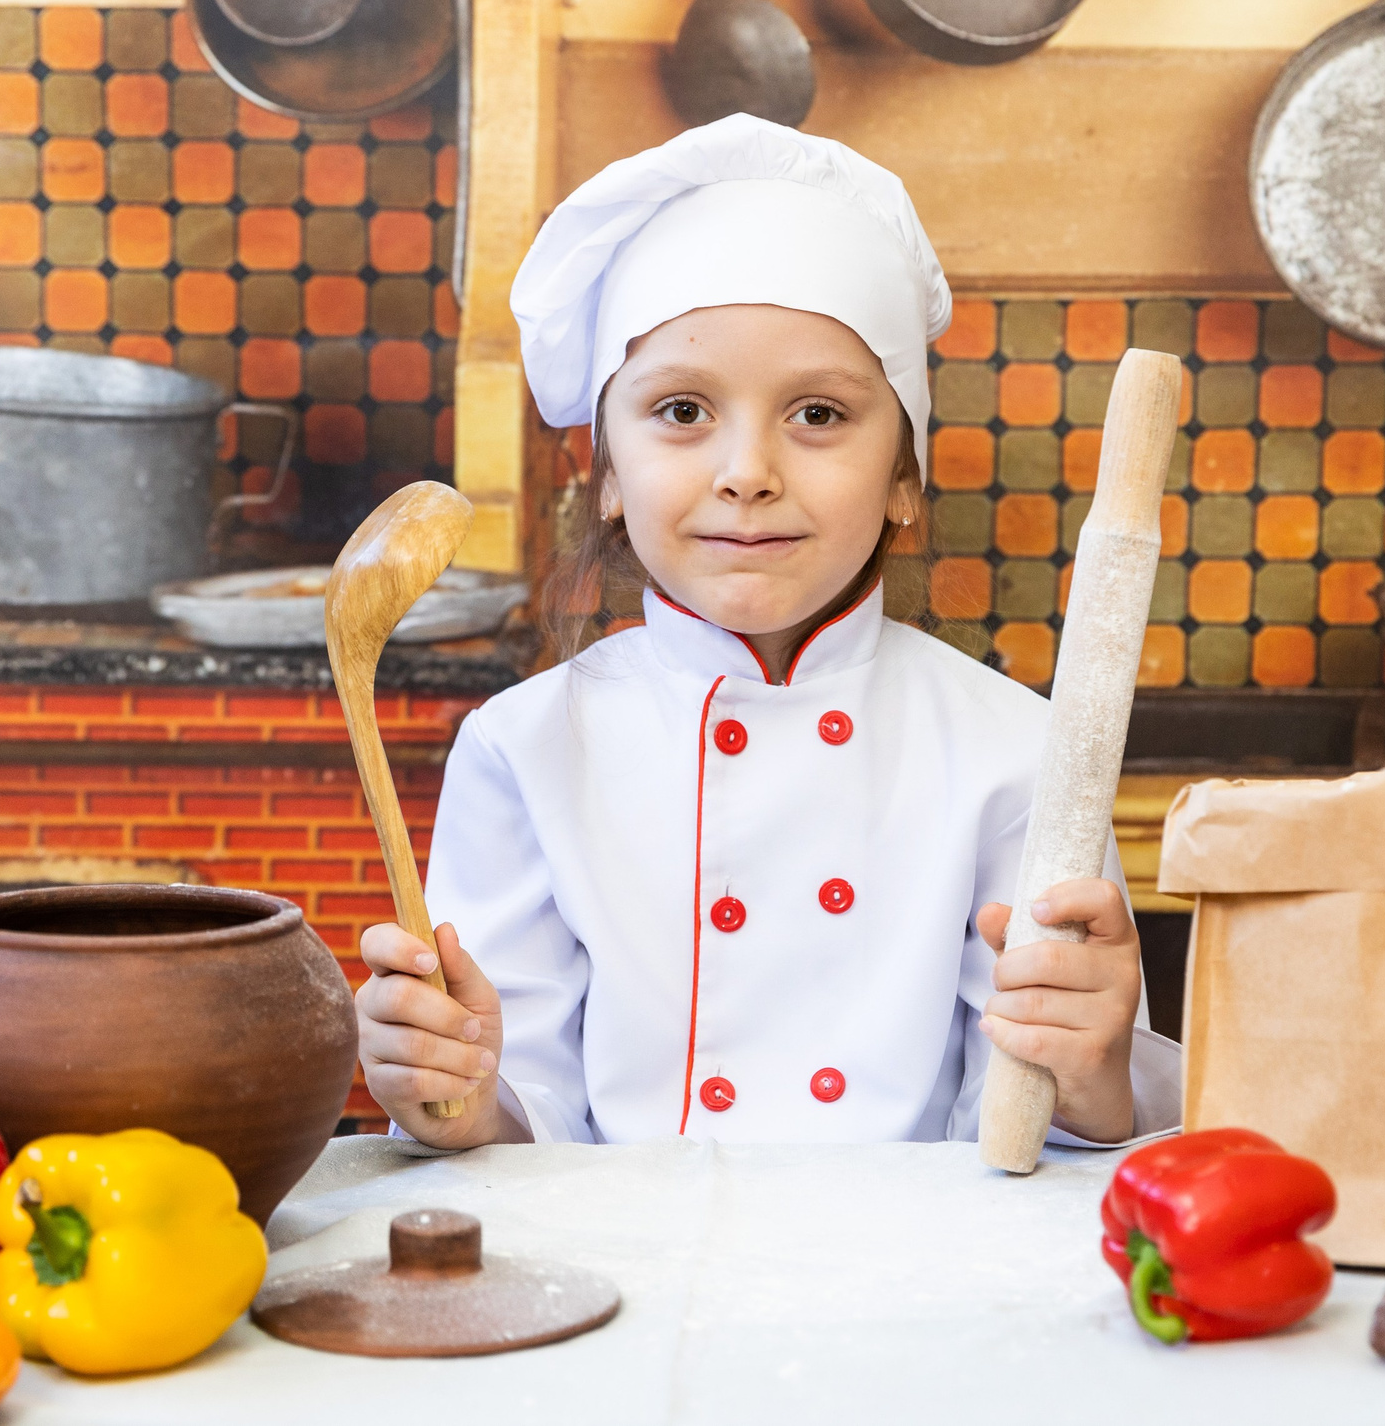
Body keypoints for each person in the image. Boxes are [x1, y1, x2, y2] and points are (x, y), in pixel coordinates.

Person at [355, 114, 1183, 1147]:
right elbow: (512, 1134)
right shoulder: (524, 750)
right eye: (683, 411)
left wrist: (1091, 1070)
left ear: (902, 481)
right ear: (607, 476)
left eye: (819, 416)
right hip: (618, 1288)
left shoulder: (1020, 755)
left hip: (908, 1290)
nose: (746, 471)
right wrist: (449, 1091)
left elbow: (1030, 1152)